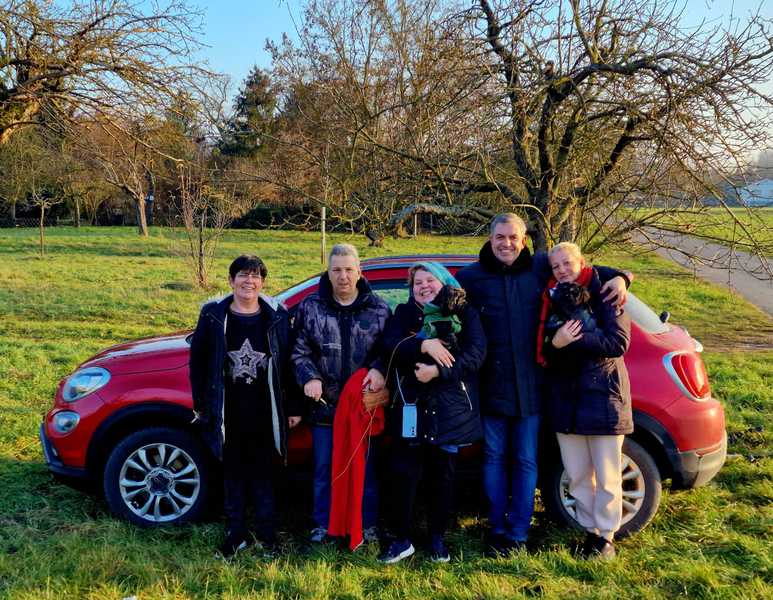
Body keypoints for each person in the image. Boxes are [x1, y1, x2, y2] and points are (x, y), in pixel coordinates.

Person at [455, 213, 630, 553]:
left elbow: (587, 272)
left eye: (513, 237)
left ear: (524, 241)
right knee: (494, 459)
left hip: (533, 389)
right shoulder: (470, 277)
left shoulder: (540, 267)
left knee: (525, 461)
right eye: (500, 237)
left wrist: (621, 278)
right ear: (490, 239)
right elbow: (436, 297)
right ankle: (498, 528)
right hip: (491, 388)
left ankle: (520, 533)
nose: (506, 244)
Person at [189, 255, 301, 559]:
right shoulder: (213, 316)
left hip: (266, 411)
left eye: (255, 276)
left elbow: (289, 364)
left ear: (262, 282)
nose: (248, 281)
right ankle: (234, 535)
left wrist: (293, 406)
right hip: (228, 411)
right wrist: (201, 404)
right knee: (233, 475)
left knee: (265, 475)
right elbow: (198, 362)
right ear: (231, 280)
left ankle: (267, 536)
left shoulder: (277, 317)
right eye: (242, 275)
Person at [378, 262, 486, 564]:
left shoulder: (464, 312)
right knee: (405, 474)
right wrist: (424, 344)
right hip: (411, 406)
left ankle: (437, 538)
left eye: (430, 280)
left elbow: (476, 354)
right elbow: (390, 347)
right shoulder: (404, 314)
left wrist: (439, 371)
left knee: (443, 477)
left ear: (444, 282)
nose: (424, 286)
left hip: (449, 409)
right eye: (417, 283)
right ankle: (402, 539)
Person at [292, 243, 391, 544]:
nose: (343, 276)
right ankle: (323, 525)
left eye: (349, 269)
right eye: (337, 270)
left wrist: (379, 368)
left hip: (363, 408)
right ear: (328, 272)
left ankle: (366, 524)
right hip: (324, 408)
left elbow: (389, 350)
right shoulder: (310, 308)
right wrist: (309, 377)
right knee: (324, 470)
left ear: (359, 272)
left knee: (366, 471)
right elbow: (298, 352)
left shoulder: (379, 309)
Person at [540, 242, 632, 560]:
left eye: (567, 263)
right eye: (556, 266)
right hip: (565, 401)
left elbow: (618, 342)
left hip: (603, 398)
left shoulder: (606, 293)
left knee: (607, 475)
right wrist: (556, 342)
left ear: (581, 262)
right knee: (578, 475)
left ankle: (607, 537)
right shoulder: (550, 298)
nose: (562, 270)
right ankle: (590, 533)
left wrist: (573, 340)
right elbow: (547, 352)